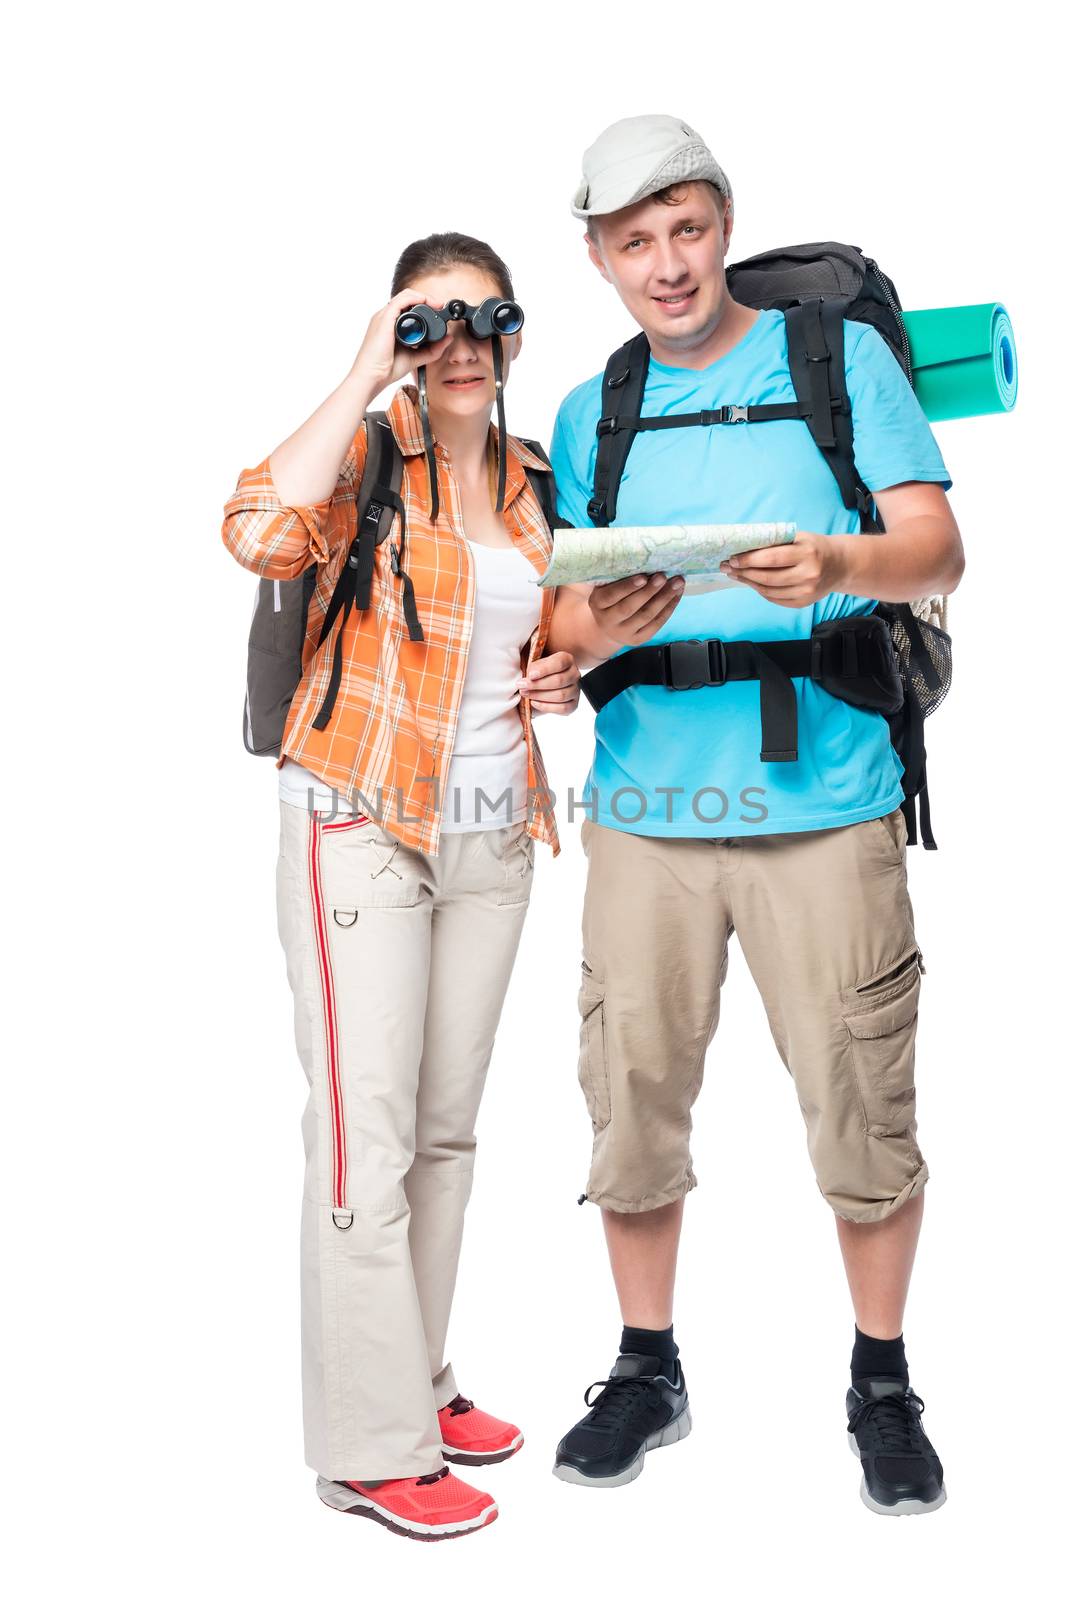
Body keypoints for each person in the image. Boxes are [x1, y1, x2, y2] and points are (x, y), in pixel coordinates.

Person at [545, 116, 964, 1514]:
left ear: (725, 222)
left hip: (827, 802)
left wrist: (836, 558)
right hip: (646, 814)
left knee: (860, 1101)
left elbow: (938, 546)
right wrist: (594, 626)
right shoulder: (590, 408)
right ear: (600, 256)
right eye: (634, 242)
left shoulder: (841, 365)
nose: (667, 265)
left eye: (687, 229)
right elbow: (559, 620)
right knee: (632, 1105)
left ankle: (882, 1378)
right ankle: (646, 1365)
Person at [220, 232, 579, 1540]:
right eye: (435, 322)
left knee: (444, 1134)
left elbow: (553, 634)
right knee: (364, 1140)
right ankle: (372, 1448)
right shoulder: (374, 453)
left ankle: (416, 1382)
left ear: (517, 331)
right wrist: (371, 360)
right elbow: (259, 529)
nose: (464, 341)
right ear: (404, 338)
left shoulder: (544, 484)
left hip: (494, 837)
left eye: (486, 317)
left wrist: (558, 673)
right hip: (358, 821)